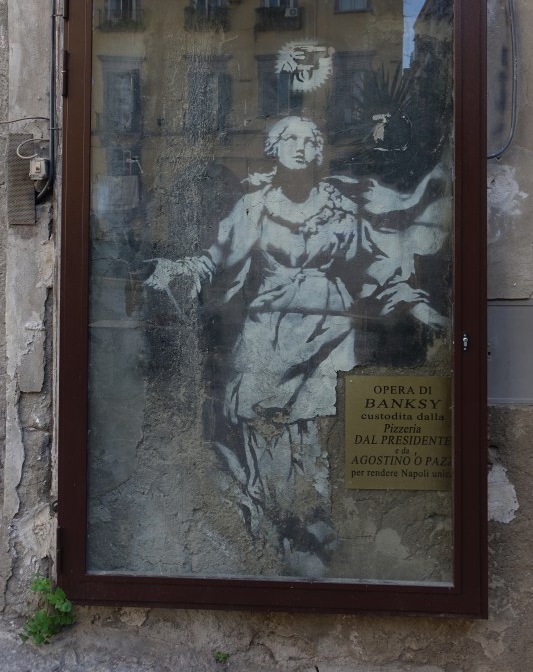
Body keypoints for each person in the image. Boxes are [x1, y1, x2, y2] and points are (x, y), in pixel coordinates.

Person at [146, 115, 448, 575]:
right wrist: (183, 272)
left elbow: (373, 266)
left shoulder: (339, 209)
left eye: (310, 140)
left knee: (315, 432)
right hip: (268, 334)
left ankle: (316, 526)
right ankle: (283, 528)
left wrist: (419, 306)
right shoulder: (254, 207)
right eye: (291, 138)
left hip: (329, 333)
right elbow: (216, 257)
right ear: (274, 148)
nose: (301, 146)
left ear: (319, 152)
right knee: (261, 422)